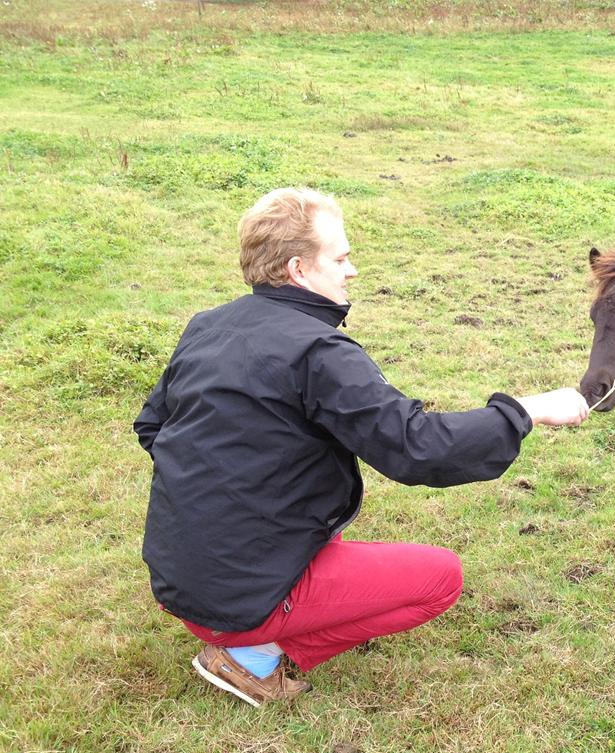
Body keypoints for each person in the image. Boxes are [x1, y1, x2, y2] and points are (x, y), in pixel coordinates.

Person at [134, 187, 588, 708]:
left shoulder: (209, 325)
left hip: (179, 576)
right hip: (236, 597)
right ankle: (252, 655)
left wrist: (232, 486)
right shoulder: (317, 351)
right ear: (299, 269)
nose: (352, 271)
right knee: (441, 579)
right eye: (342, 258)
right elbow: (419, 447)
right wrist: (527, 410)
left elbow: (153, 427)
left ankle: (246, 627)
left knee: (328, 524)